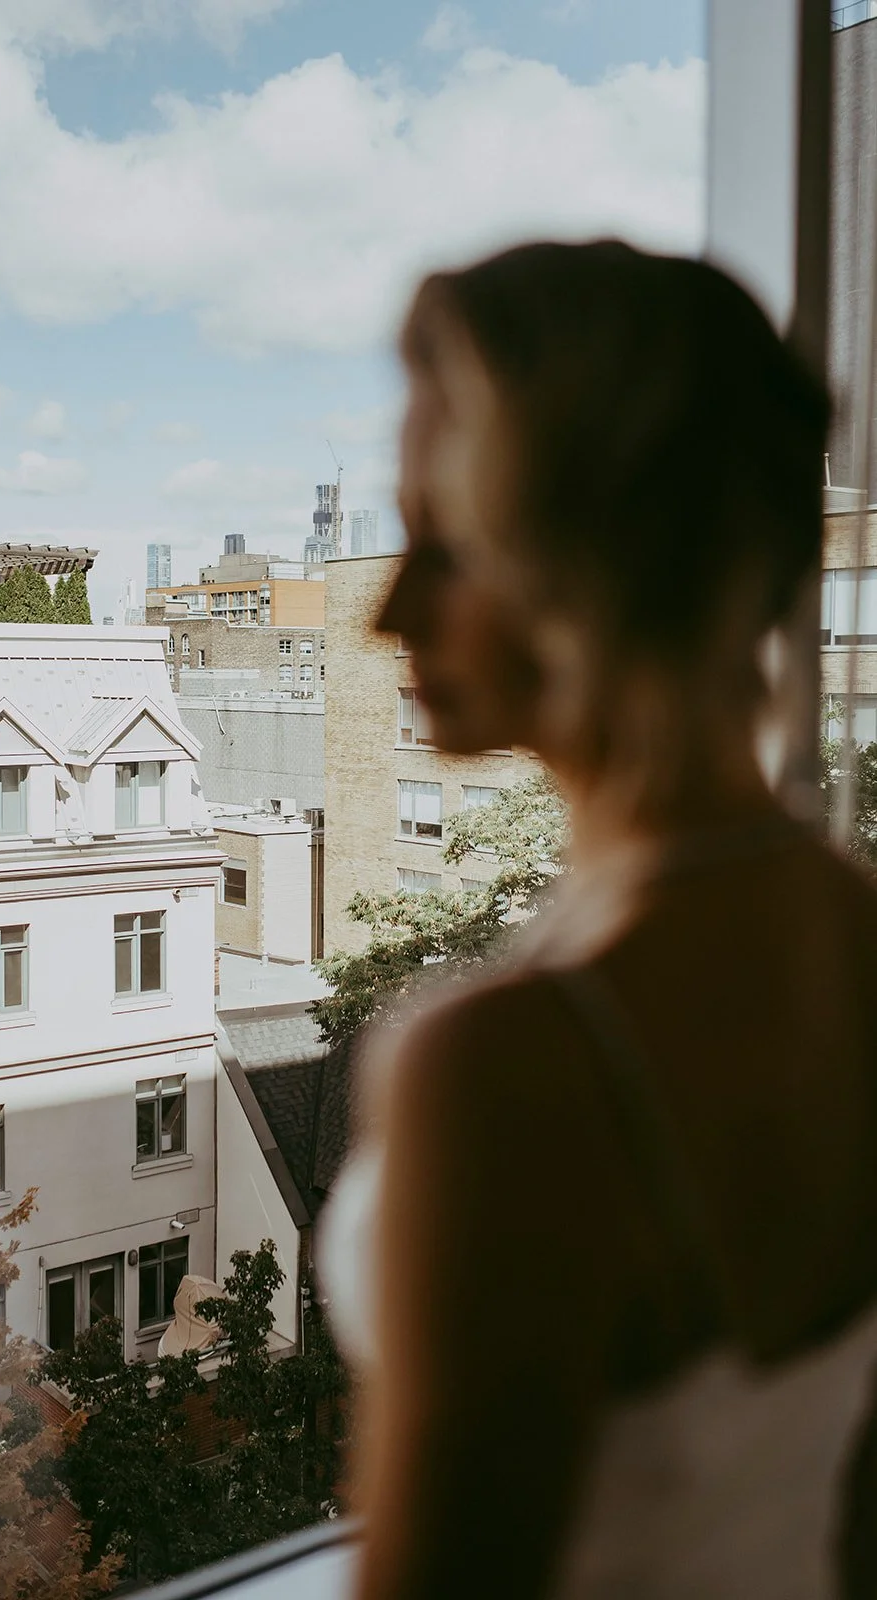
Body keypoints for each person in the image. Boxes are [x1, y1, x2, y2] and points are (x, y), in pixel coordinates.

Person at [318, 240, 877, 1598]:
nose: (388, 612)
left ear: (592, 556)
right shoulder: (847, 922)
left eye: (445, 541)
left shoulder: (508, 1062)